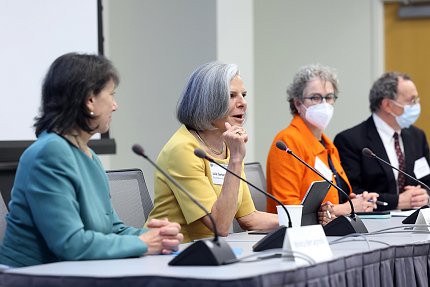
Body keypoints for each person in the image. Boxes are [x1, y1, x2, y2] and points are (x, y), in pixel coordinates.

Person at [0, 53, 183, 267]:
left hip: (71, 272)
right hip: (28, 276)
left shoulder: (89, 155)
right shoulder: (49, 154)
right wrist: (144, 243)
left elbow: (113, 229)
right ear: (89, 100)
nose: (115, 106)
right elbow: (70, 244)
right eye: (111, 95)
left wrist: (158, 236)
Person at [146, 62, 278, 243]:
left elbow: (249, 218)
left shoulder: (227, 146)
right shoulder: (184, 149)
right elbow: (220, 225)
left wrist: (302, 221)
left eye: (244, 95)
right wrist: (237, 160)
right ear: (208, 101)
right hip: (172, 254)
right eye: (232, 96)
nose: (243, 103)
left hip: (210, 252)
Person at [266, 64, 377, 224]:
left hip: (334, 233)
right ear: (297, 103)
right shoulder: (287, 142)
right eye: (315, 97)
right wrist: (345, 208)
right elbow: (289, 209)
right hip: (299, 239)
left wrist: (359, 201)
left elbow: (338, 196)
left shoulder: (327, 144)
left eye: (329, 97)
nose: (324, 104)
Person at [334, 72, 430, 210]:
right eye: (411, 100)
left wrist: (424, 195)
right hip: (374, 223)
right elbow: (351, 193)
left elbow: (427, 180)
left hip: (416, 221)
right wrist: (397, 201)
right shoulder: (350, 140)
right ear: (387, 105)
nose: (417, 105)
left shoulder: (417, 136)